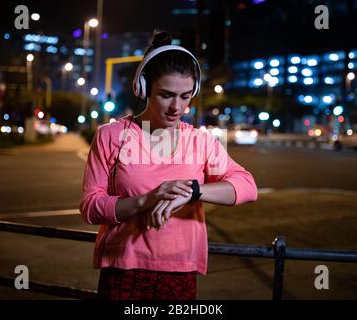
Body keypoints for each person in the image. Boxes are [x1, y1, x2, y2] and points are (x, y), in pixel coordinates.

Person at [80, 30, 258, 300]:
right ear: (144, 87)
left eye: (186, 96)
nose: (178, 107)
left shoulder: (201, 142)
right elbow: (91, 207)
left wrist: (191, 191)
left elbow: (247, 186)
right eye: (166, 95)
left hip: (180, 269)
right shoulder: (111, 135)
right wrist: (148, 200)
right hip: (123, 267)